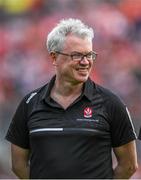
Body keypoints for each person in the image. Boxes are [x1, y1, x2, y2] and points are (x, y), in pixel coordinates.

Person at [6, 18, 138, 179]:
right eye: (76, 55)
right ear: (54, 58)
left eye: (89, 55)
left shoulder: (111, 103)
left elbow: (129, 165)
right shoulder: (29, 103)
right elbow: (18, 164)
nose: (85, 62)